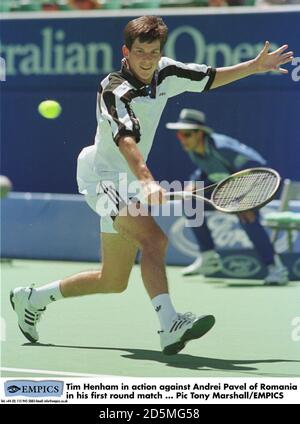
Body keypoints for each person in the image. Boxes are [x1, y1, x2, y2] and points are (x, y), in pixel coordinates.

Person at [10, 16, 293, 355]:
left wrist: (254, 66)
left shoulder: (167, 72)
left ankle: (32, 298)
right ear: (125, 52)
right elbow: (126, 141)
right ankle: (170, 324)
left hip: (127, 181)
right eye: (139, 51)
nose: (146, 59)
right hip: (101, 176)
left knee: (113, 280)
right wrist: (147, 182)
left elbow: (210, 77)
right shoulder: (114, 89)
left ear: (161, 52)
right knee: (154, 239)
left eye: (153, 52)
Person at [166, 109, 289, 284]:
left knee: (247, 217)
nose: (182, 139)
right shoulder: (194, 149)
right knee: (190, 201)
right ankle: (209, 257)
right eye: (180, 135)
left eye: (186, 134)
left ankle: (276, 269)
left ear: (199, 133)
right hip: (227, 190)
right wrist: (194, 183)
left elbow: (257, 167)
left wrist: (247, 201)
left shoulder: (223, 148)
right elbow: (207, 169)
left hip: (255, 186)